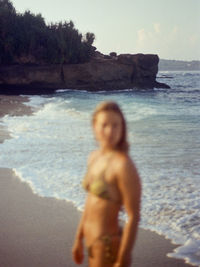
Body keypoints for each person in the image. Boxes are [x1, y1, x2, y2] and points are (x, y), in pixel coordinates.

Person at [72, 101, 141, 267]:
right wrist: (78, 238)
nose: (110, 131)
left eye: (116, 125)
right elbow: (90, 202)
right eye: (104, 125)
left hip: (108, 247)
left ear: (122, 129)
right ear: (94, 126)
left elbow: (133, 216)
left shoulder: (123, 166)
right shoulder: (94, 157)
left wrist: (123, 257)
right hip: (91, 243)